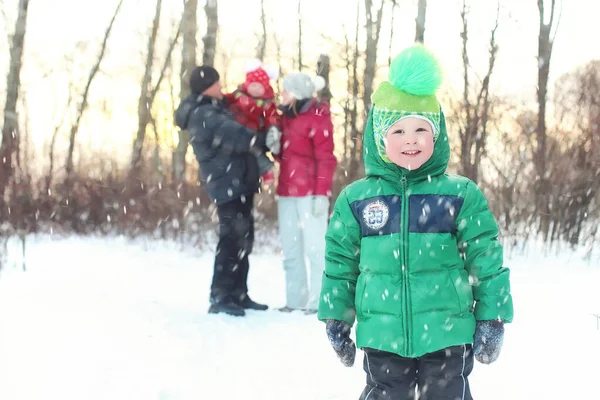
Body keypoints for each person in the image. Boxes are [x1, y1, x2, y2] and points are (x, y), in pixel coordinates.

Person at [317, 45, 514, 399]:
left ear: (435, 137)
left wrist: (492, 315)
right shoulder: (357, 199)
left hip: (447, 332)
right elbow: (340, 265)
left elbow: (486, 259)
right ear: (380, 140)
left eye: (420, 129)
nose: (410, 139)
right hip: (383, 334)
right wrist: (336, 317)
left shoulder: (459, 195)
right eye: (397, 132)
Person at [175, 65, 271, 317]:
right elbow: (237, 136)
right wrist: (261, 138)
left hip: (238, 181)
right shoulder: (204, 114)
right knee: (231, 240)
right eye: (216, 84)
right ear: (207, 87)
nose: (221, 87)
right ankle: (220, 295)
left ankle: (238, 292)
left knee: (243, 239)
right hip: (227, 183)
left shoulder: (214, 109)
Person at [268, 72, 337, 314]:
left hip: (310, 193)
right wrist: (275, 147)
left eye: (286, 91)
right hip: (287, 191)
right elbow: (287, 157)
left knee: (315, 248)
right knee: (291, 248)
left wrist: (322, 193)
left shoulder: (318, 116)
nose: (282, 94)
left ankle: (319, 302)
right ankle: (295, 300)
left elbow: (325, 158)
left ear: (297, 94)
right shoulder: (285, 118)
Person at [224, 59, 280, 186]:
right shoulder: (237, 95)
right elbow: (225, 100)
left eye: (259, 86)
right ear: (247, 84)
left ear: (265, 88)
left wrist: (273, 127)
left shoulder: (267, 104)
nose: (255, 89)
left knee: (254, 151)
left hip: (254, 132)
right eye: (253, 85)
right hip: (238, 130)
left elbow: (273, 116)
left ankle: (266, 169)